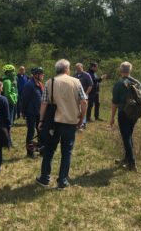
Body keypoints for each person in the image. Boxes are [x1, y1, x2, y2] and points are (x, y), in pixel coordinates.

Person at [36, 59, 87, 189]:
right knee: (67, 152)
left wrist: (41, 120)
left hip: (53, 122)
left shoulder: (49, 82)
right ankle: (62, 181)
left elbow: (44, 103)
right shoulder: (76, 82)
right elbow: (84, 102)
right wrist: (81, 118)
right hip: (70, 122)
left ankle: (45, 178)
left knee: (49, 150)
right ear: (67, 69)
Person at [110, 61, 141, 172]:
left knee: (126, 137)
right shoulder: (138, 83)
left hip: (123, 114)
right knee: (129, 136)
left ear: (120, 71)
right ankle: (126, 159)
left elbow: (115, 103)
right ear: (130, 70)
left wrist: (112, 117)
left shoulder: (119, 84)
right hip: (134, 114)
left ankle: (132, 163)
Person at [22, 67, 44, 158]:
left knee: (41, 131)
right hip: (31, 113)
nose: (43, 76)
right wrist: (23, 112)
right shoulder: (29, 85)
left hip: (39, 112)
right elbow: (24, 100)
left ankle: (41, 150)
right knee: (31, 132)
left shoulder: (40, 84)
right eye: (41, 74)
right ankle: (30, 152)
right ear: (36, 75)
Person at [1, 64, 18, 146]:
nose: (14, 73)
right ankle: (8, 142)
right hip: (9, 104)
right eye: (13, 71)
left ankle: (7, 141)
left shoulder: (9, 80)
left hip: (10, 103)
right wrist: (13, 101)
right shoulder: (7, 81)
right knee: (8, 123)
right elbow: (7, 94)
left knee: (9, 123)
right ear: (9, 72)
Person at [73, 63, 93, 129]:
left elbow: (90, 85)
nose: (78, 70)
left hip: (84, 96)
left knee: (83, 110)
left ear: (82, 67)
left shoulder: (87, 75)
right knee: (77, 110)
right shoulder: (74, 75)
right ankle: (77, 123)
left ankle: (83, 124)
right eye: (77, 68)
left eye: (79, 68)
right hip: (76, 96)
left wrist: (86, 94)